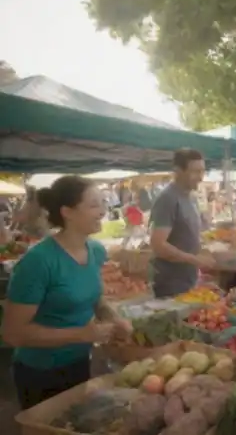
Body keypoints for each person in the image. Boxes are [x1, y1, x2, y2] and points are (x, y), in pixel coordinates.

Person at [1, 175, 133, 409]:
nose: (103, 211)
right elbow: (13, 333)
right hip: (39, 372)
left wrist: (113, 318)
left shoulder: (95, 250)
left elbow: (96, 299)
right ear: (67, 212)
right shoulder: (38, 262)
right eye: (94, 205)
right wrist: (81, 334)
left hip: (80, 362)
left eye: (103, 203)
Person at [150, 149, 215, 298]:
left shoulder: (191, 197)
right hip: (170, 284)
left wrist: (202, 251)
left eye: (202, 172)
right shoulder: (167, 199)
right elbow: (158, 245)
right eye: (195, 172)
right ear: (178, 171)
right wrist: (195, 260)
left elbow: (188, 234)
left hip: (189, 280)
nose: (200, 177)